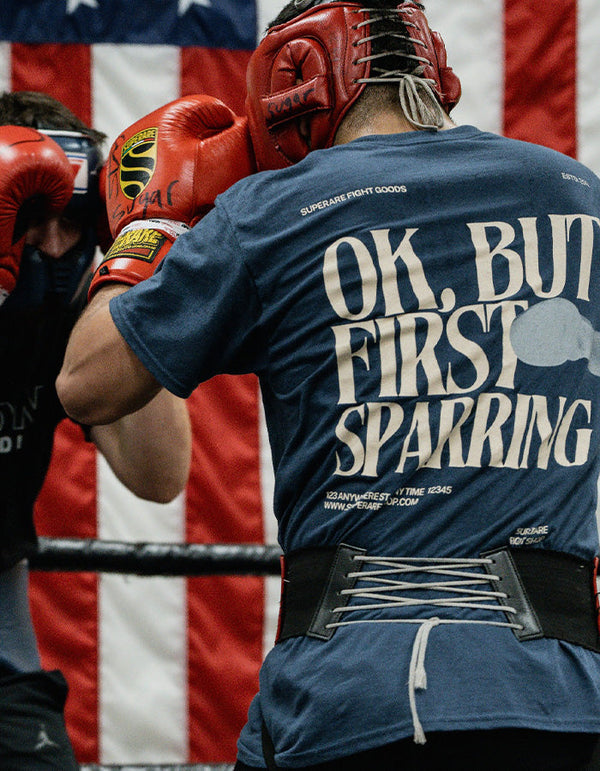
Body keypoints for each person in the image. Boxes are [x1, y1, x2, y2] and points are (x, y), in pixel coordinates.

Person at [56, 0, 600, 768]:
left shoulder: (272, 214)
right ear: (434, 69)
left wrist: (151, 227)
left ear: (293, 75)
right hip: (564, 700)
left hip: (355, 697)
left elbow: (86, 382)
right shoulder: (579, 196)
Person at [0, 91, 192, 769]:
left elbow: (159, 474)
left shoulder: (69, 319)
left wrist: (132, 270)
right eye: (30, 218)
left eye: (74, 221)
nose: (53, 246)